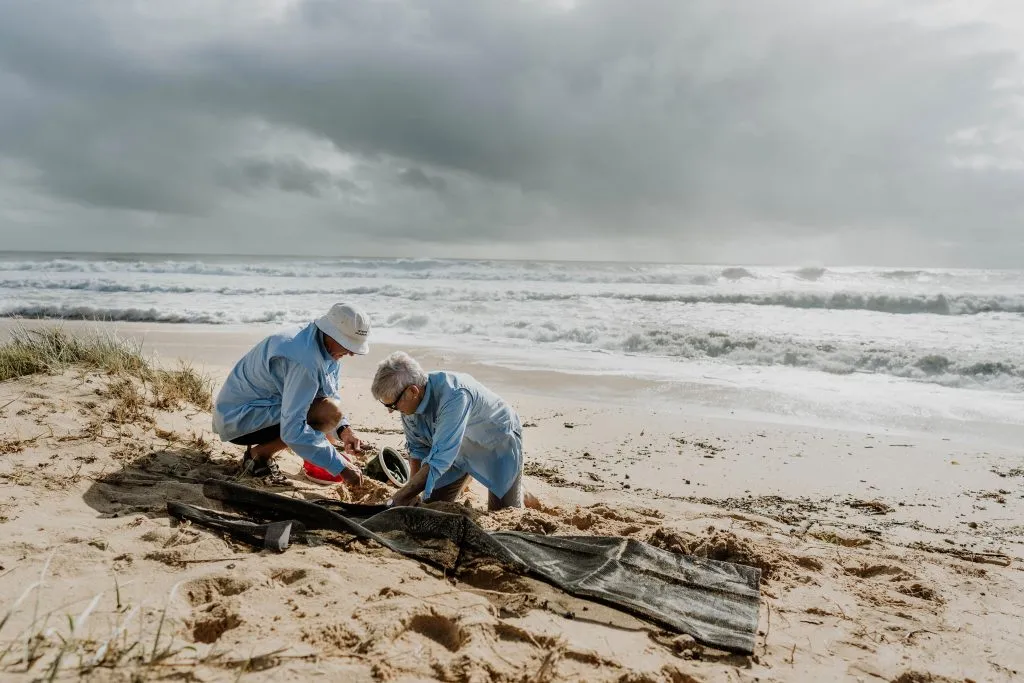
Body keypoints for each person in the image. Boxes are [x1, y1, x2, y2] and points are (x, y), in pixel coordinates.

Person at [212, 303, 370, 486]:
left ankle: (261, 452)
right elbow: (293, 429)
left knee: (329, 412)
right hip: (238, 419)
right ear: (331, 332)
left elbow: (327, 395)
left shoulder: (324, 346)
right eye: (348, 345)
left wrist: (344, 430)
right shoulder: (304, 360)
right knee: (326, 415)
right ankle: (259, 455)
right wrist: (341, 467)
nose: (351, 353)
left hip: (258, 409)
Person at [371, 351, 534, 510]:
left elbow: (439, 460)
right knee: (429, 505)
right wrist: (411, 492)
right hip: (451, 450)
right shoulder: (408, 402)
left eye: (392, 405)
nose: (391, 411)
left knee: (504, 511)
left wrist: (399, 497)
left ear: (413, 391)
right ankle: (465, 475)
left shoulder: (455, 395)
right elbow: (417, 448)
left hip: (496, 442)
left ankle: (521, 493)